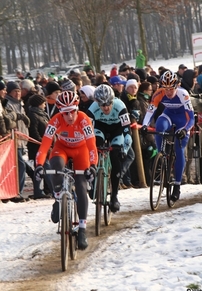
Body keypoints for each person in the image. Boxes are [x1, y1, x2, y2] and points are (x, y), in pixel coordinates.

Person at [35, 90, 98, 250]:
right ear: (60, 112)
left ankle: (82, 229)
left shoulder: (84, 120)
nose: (70, 116)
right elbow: (44, 146)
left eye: (72, 112)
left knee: (82, 185)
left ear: (77, 109)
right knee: (55, 166)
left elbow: (91, 145)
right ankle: (57, 198)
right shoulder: (55, 121)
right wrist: (39, 165)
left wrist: (92, 165)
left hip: (81, 150)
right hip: (62, 148)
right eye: (65, 113)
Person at [142, 70, 195, 201]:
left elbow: (192, 118)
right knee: (160, 125)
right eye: (165, 89)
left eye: (171, 89)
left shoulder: (183, 94)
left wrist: (185, 129)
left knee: (179, 149)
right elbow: (150, 111)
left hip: (183, 120)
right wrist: (144, 125)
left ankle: (177, 185)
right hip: (169, 115)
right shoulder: (159, 93)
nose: (168, 92)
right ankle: (162, 155)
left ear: (177, 86)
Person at [86, 84, 132, 212]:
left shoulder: (120, 106)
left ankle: (114, 196)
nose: (105, 107)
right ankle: (95, 181)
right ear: (97, 103)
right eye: (102, 105)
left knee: (116, 156)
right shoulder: (92, 109)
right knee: (95, 146)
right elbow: (86, 131)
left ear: (112, 101)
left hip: (117, 130)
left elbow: (128, 133)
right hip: (100, 128)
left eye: (108, 104)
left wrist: (125, 150)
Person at [5, 81, 31, 202]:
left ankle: (17, 191)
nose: (18, 93)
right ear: (9, 92)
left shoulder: (20, 103)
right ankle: (17, 192)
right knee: (20, 165)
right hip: (12, 140)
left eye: (19, 91)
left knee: (21, 166)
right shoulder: (8, 103)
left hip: (21, 140)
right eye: (15, 91)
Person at [27, 94, 53, 199]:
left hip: (46, 146)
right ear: (38, 104)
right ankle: (52, 190)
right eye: (43, 103)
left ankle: (40, 191)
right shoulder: (33, 115)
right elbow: (33, 132)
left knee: (41, 169)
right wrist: (43, 143)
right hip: (38, 148)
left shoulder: (44, 114)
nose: (45, 105)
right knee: (45, 169)